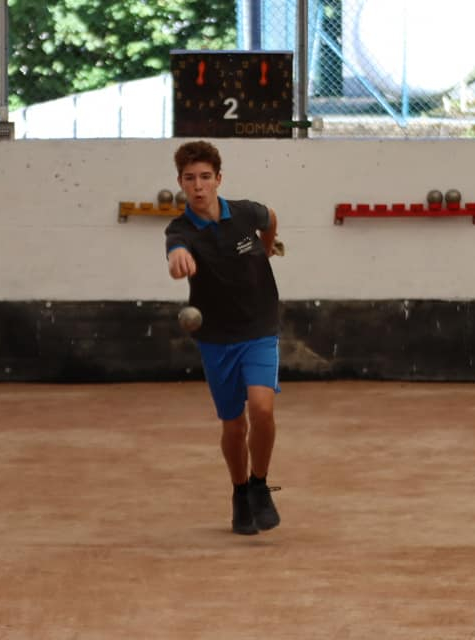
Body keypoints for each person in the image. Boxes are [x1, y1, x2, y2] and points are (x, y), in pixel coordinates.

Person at [164, 140, 283, 535]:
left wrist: (266, 250)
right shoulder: (180, 229)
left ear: (219, 178)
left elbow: (271, 218)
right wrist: (177, 260)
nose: (198, 186)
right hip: (216, 337)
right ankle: (239, 492)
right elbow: (176, 251)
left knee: (262, 409)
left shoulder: (245, 212)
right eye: (189, 179)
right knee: (233, 425)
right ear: (180, 182)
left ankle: (260, 485)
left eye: (205, 177)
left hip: (259, 326)